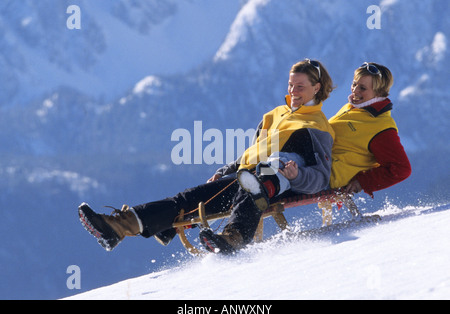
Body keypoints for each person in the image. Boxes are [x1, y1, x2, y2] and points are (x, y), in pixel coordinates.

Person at [79, 59, 335, 254]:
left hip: (275, 184)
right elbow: (254, 152)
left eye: (300, 86)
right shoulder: (275, 114)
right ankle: (116, 227)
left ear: (317, 87)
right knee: (188, 198)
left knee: (254, 184)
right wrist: (227, 170)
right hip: (245, 176)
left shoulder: (317, 127)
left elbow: (321, 178)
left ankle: (233, 236)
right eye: (291, 84)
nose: (294, 91)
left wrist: (298, 174)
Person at [328, 62, 411, 196]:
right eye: (354, 84)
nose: (355, 90)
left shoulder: (380, 127)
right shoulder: (353, 108)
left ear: (378, 92)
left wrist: (362, 182)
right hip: (316, 161)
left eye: (362, 88)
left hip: (325, 173)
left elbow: (401, 168)